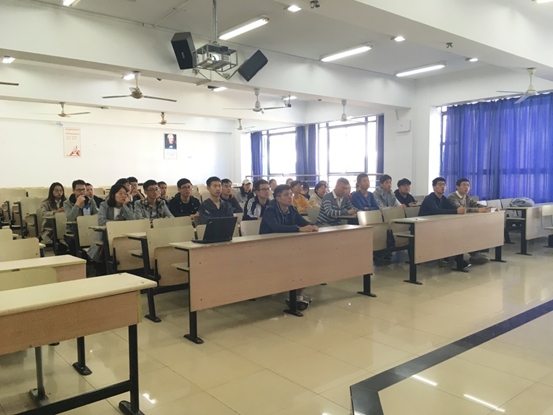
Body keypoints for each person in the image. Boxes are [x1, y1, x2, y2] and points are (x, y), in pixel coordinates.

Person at [260, 184, 318, 310]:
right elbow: (276, 228)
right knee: (298, 261)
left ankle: (298, 295)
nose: (290, 197)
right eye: (286, 195)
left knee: (305, 259)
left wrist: (312, 225)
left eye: (291, 194)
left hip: (285, 246)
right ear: (278, 198)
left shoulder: (292, 209)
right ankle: (296, 295)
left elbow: (303, 222)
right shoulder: (271, 210)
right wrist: (299, 229)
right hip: (267, 247)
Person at [420, 177, 469, 270]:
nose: (442, 186)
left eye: (444, 184)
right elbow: (436, 211)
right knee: (451, 235)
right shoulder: (429, 198)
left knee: (457, 233)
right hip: (424, 227)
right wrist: (456, 211)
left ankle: (454, 259)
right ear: (434, 187)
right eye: (440, 184)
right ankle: (455, 259)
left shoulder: (443, 198)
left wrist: (458, 209)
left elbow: (452, 207)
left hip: (437, 225)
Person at [447, 178, 491, 265]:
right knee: (469, 232)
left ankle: (476, 254)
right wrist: (477, 210)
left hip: (464, 223)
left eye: (468, 185)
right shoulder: (452, 197)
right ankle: (472, 255)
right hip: (452, 224)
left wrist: (488, 208)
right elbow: (461, 209)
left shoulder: (467, 197)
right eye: (464, 185)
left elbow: (475, 204)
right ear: (457, 187)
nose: (466, 187)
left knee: (478, 229)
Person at [87, 184, 134, 262]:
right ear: (113, 195)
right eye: (120, 193)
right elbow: (101, 221)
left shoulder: (128, 206)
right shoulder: (104, 205)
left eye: (125, 194)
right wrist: (118, 225)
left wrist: (124, 206)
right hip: (107, 235)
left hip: (123, 235)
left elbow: (133, 221)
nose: (123, 196)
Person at [64, 179, 99, 255]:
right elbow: (70, 218)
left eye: (83, 189)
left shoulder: (90, 201)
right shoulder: (67, 203)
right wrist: (77, 204)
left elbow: (97, 215)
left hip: (89, 229)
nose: (82, 192)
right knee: (73, 243)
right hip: (73, 231)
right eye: (79, 190)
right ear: (73, 190)